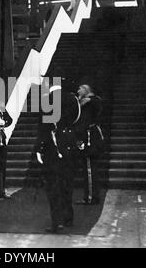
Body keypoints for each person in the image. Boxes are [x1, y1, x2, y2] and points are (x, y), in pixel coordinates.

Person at [35, 81, 81, 233]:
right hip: (69, 144)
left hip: (53, 147)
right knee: (67, 185)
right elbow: (77, 120)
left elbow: (44, 126)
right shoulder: (73, 99)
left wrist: (39, 148)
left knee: (54, 188)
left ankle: (57, 222)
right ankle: (69, 218)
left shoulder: (48, 100)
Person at [74, 84, 103, 205]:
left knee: (89, 168)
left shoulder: (91, 102)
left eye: (80, 89)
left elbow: (83, 122)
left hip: (89, 138)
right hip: (90, 136)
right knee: (89, 167)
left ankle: (90, 197)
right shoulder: (91, 102)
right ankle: (90, 195)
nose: (77, 91)